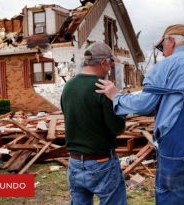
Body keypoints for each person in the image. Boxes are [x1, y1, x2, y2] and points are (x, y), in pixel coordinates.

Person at [96, 24, 184, 205]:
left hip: (177, 151)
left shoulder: (165, 67)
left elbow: (145, 104)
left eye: (162, 47)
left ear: (171, 41)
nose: (162, 53)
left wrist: (116, 96)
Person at [61, 41, 127, 205]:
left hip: (75, 163)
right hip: (101, 163)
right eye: (110, 63)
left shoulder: (68, 87)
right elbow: (117, 128)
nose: (110, 68)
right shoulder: (103, 88)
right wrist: (117, 101)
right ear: (103, 62)